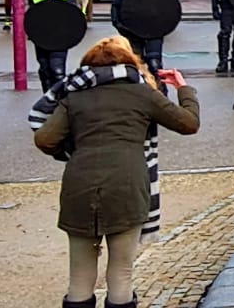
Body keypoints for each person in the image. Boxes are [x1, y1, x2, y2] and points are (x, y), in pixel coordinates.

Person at [33, 36, 200, 308]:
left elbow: (44, 138)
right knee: (122, 273)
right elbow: (189, 123)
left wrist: (71, 152)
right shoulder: (143, 93)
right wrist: (184, 88)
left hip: (79, 184)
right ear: (130, 62)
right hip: (127, 185)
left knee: (79, 276)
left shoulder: (74, 96)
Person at [111, 0, 170, 78]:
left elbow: (168, 7)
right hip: (133, 30)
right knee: (135, 63)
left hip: (154, 31)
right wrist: (117, 23)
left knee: (154, 63)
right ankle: (139, 93)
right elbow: (117, 6)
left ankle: (160, 92)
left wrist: (164, 25)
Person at [31, 0, 78, 93]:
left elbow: (75, 19)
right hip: (41, 41)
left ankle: (60, 100)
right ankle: (47, 98)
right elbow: (31, 18)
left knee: (57, 71)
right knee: (44, 71)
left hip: (59, 40)